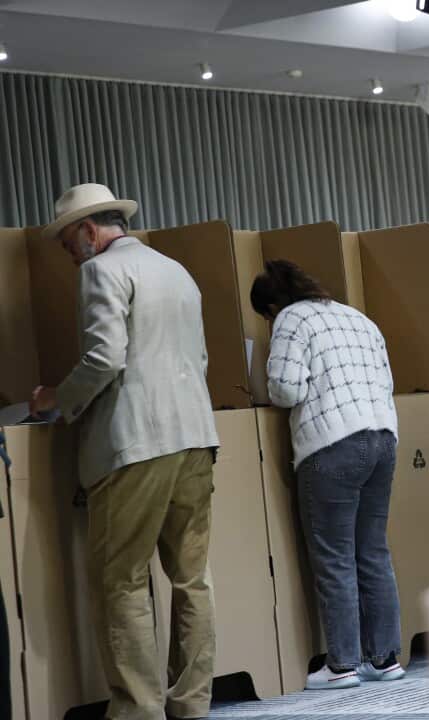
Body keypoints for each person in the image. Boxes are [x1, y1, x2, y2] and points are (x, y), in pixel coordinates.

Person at [28, 183, 220, 720]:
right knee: (192, 578)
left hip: (135, 444)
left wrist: (56, 399)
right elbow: (200, 357)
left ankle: (138, 710)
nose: (71, 259)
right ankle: (191, 704)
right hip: (196, 437)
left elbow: (104, 357)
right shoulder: (177, 270)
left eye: (69, 246)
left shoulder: (101, 271)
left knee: (122, 582)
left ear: (89, 232)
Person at [251, 260, 405, 690]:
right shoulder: (357, 316)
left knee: (334, 556)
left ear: (272, 306)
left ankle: (341, 665)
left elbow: (285, 389)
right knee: (373, 551)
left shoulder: (289, 319)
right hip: (383, 438)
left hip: (331, 444)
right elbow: (387, 380)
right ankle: (386, 657)